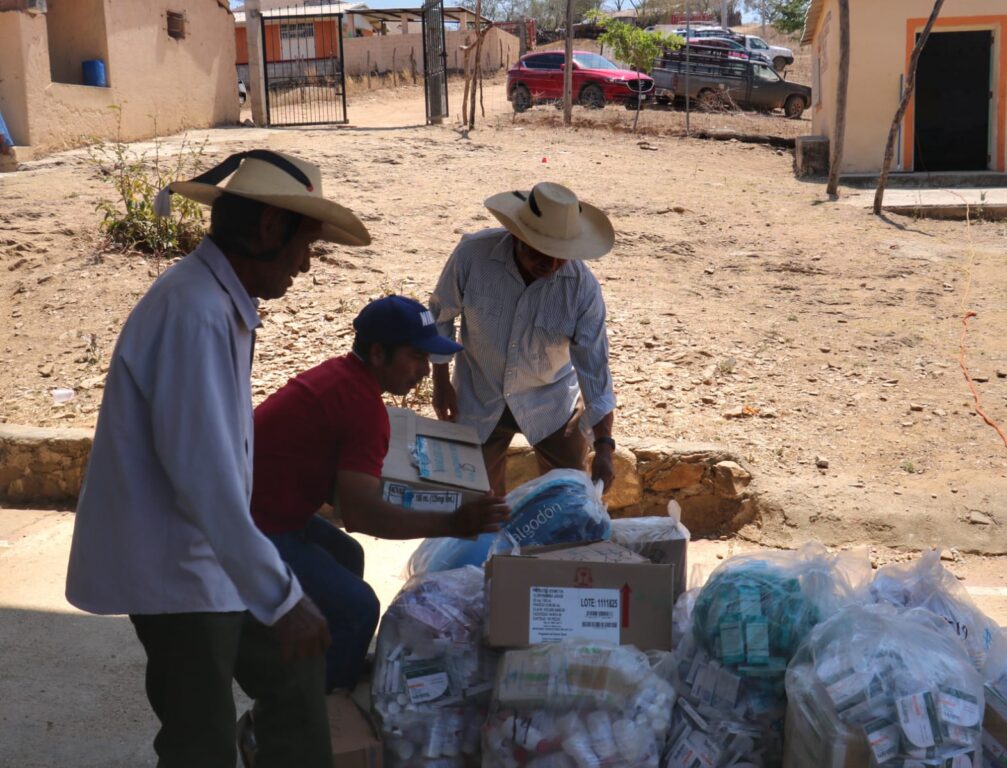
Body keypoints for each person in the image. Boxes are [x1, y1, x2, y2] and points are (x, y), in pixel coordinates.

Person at [65, 150, 371, 768]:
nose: (305, 264)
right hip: (178, 572)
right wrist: (281, 596)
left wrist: (277, 590)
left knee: (297, 667)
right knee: (199, 741)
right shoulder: (196, 311)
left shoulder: (214, 301)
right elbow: (205, 483)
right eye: (304, 243)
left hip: (209, 560)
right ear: (267, 230)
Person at [250, 295, 511, 693]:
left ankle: (328, 655)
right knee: (360, 608)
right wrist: (453, 523)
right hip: (254, 528)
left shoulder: (342, 377)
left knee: (348, 556)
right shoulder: (361, 406)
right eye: (417, 357)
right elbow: (361, 515)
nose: (425, 371)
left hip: (268, 509)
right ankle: (317, 706)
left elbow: (351, 496)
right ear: (377, 353)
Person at [429, 181, 618, 497]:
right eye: (540, 251)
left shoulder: (582, 289)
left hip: (552, 401)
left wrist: (604, 446)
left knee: (570, 499)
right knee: (477, 505)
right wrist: (440, 379)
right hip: (479, 393)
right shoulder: (473, 256)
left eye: (561, 255)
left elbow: (595, 371)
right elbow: (440, 315)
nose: (551, 264)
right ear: (516, 234)